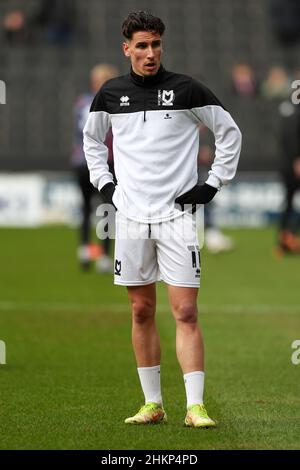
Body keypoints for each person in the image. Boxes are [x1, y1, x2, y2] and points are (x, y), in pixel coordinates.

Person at [83, 11, 242, 427]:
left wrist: (213, 183)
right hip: (132, 217)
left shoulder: (188, 89)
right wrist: (106, 186)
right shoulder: (111, 94)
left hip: (179, 217)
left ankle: (195, 406)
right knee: (141, 310)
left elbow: (229, 132)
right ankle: (152, 404)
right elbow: (92, 141)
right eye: (141, 46)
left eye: (155, 45)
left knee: (186, 311)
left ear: (161, 45)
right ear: (127, 49)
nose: (150, 53)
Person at [72, 64, 118, 272]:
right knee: (105, 207)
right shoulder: (113, 102)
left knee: (89, 206)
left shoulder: (82, 102)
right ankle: (102, 255)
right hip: (104, 161)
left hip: (83, 160)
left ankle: (86, 249)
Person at [276, 98, 300, 254]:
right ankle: (284, 240)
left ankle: (287, 239)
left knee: (289, 203)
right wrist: (297, 160)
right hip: (291, 166)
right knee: (289, 202)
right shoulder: (294, 111)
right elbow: (289, 138)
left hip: (290, 164)